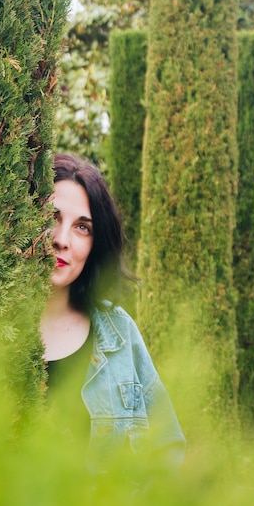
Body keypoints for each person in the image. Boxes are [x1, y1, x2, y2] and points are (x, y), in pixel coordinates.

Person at [40, 153, 185, 474]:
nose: (61, 239)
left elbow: (167, 447)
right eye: (52, 216)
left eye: (82, 227)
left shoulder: (119, 333)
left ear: (96, 245)